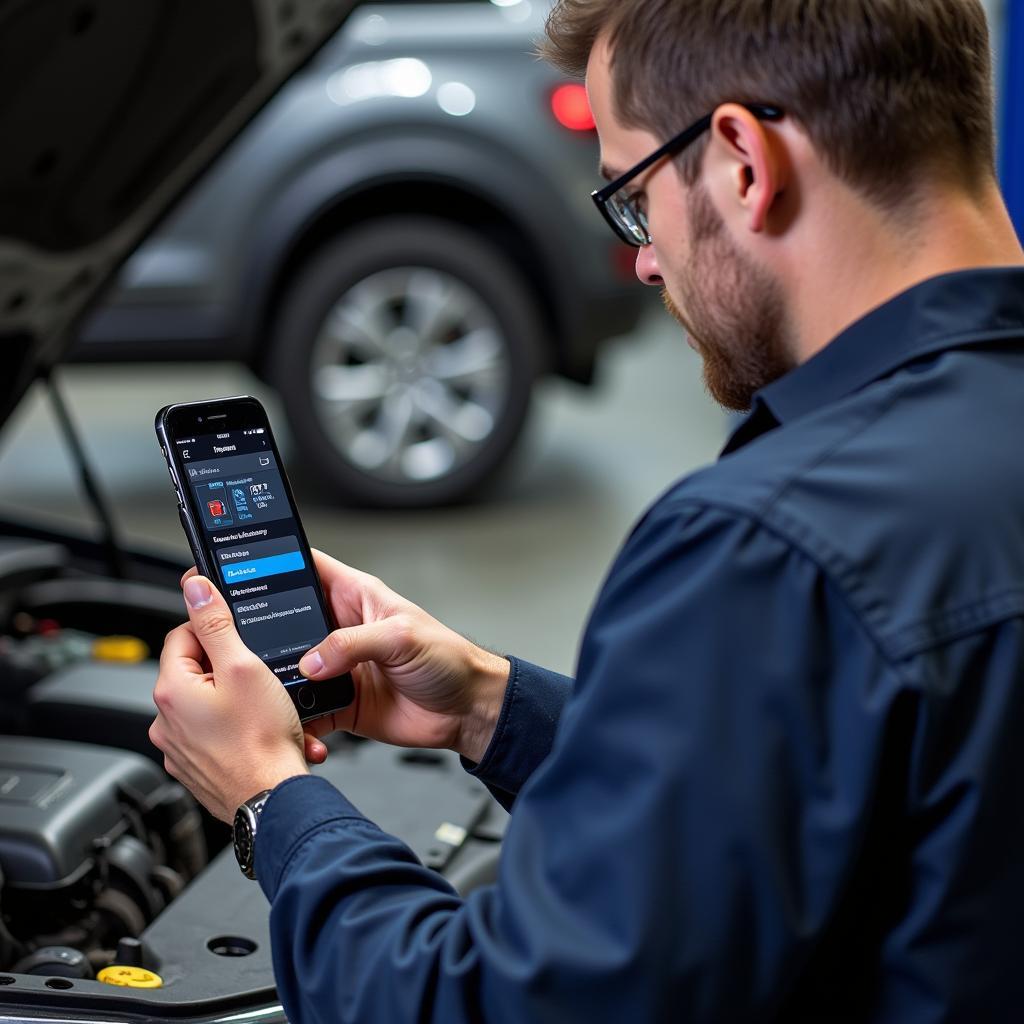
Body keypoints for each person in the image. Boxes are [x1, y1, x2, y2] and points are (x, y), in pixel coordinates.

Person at [149, 0, 1024, 1019]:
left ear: (742, 159)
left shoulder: (767, 546)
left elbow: (490, 1008)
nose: (646, 258)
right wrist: (489, 705)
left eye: (634, 198)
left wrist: (269, 796)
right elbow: (809, 810)